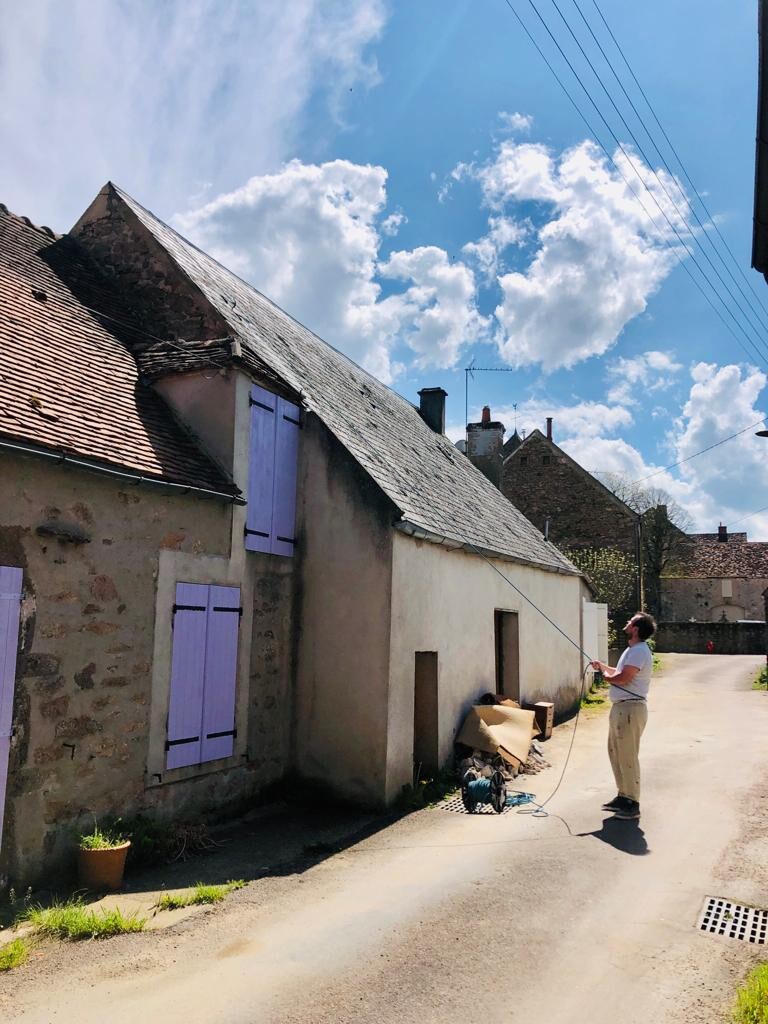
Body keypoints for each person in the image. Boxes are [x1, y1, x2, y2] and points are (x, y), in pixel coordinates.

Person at [591, 612, 656, 820]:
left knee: (627, 754)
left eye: (631, 621)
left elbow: (623, 678)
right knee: (615, 752)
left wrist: (604, 676)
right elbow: (618, 672)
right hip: (622, 708)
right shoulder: (633, 650)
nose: (627, 622)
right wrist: (603, 667)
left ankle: (632, 803)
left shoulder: (638, 651)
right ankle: (623, 795)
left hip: (630, 709)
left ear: (636, 628)